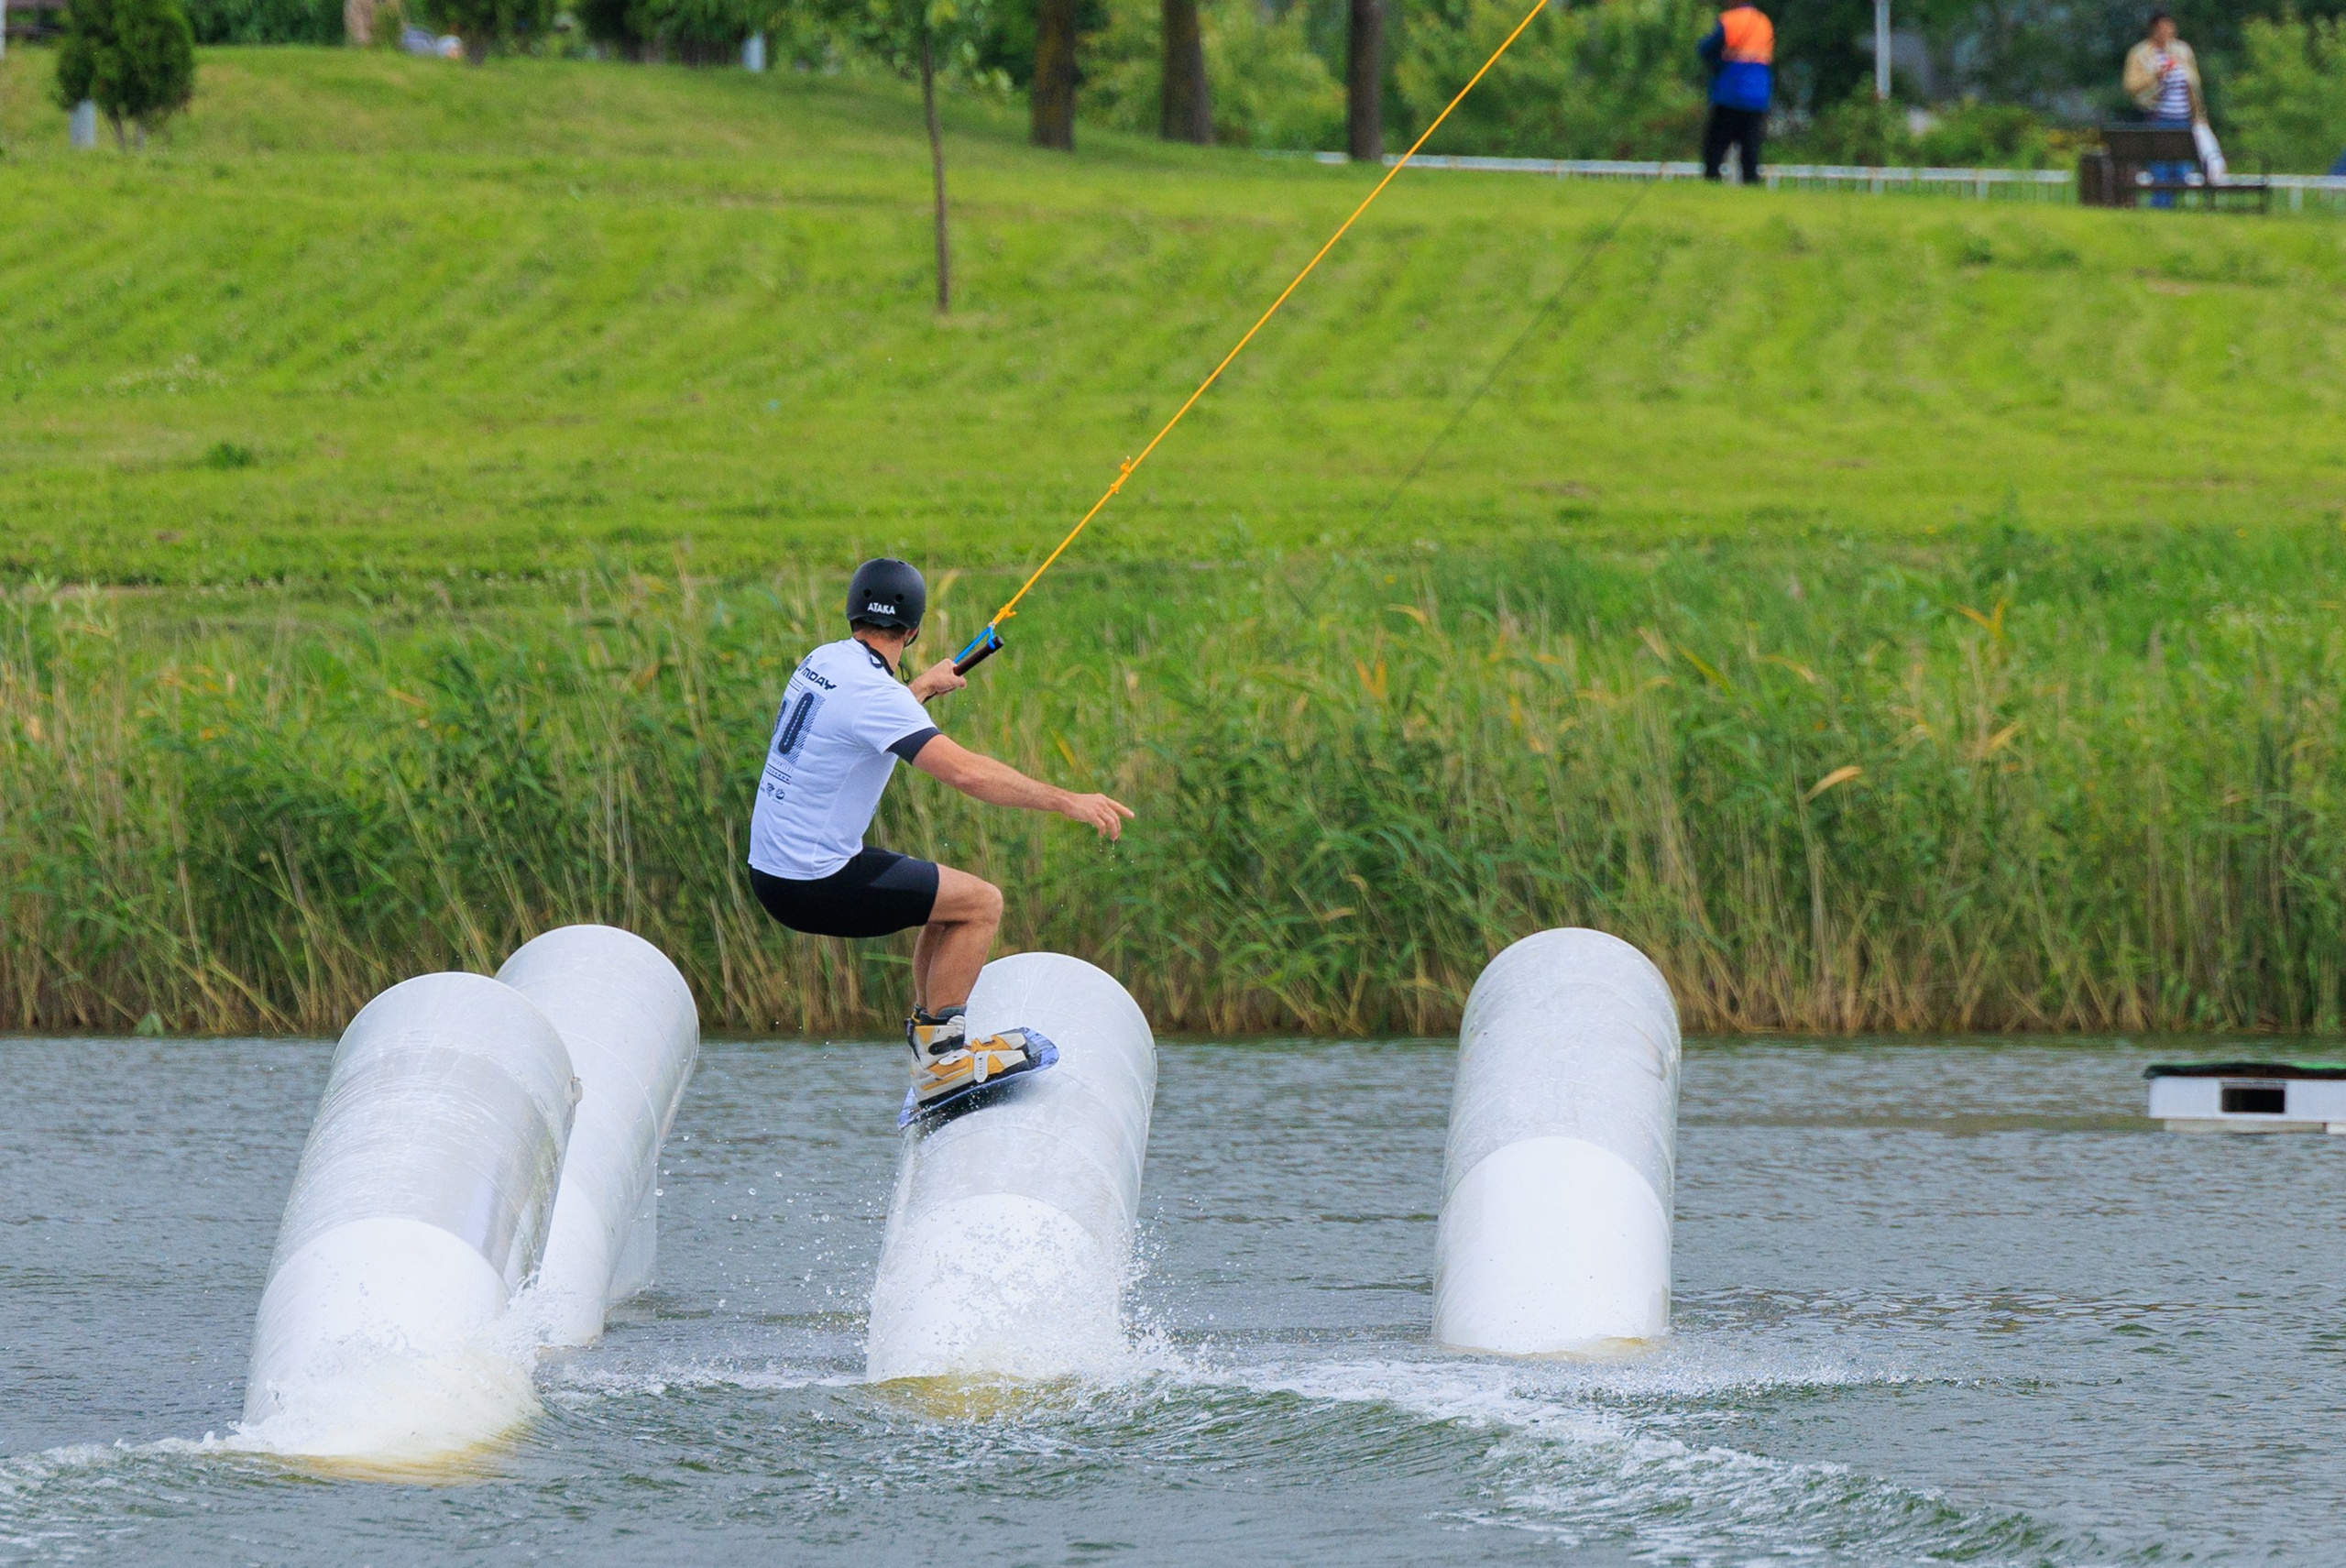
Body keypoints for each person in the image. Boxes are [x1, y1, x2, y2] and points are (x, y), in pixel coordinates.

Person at [745, 558, 1135, 1124]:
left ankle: (934, 1051)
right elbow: (967, 774)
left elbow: (862, 714)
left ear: (853, 614)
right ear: (915, 629)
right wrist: (1068, 800)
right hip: (814, 881)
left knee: (944, 901)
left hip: (776, 871)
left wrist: (921, 686)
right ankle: (945, 1061)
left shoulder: (824, 662)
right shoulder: (882, 699)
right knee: (980, 904)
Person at [2124, 9, 2202, 208]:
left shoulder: (2182, 51)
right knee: (2160, 170)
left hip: (2183, 118)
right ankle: (2160, 209)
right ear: (2153, 29)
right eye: (2161, 28)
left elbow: (2193, 84)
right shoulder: (2141, 53)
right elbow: (2130, 85)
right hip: (2158, 117)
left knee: (2182, 170)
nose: (2166, 32)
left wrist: (2199, 114)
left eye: (2169, 27)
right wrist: (2155, 76)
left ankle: (2170, 210)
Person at [1697, 3, 1773, 184]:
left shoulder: (1729, 20)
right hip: (1758, 93)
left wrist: (1717, 65)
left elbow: (1706, 49)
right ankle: (1750, 179)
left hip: (1730, 90)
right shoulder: (1764, 22)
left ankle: (1712, 177)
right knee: (1750, 143)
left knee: (1717, 141)